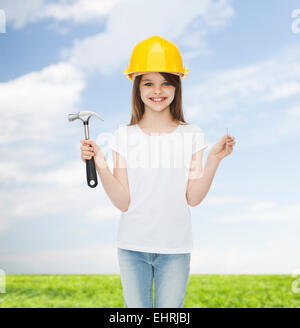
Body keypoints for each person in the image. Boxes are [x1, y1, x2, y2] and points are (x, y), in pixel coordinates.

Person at [79, 36, 236, 308]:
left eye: (166, 82)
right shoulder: (123, 136)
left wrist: (214, 159)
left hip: (175, 250)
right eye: (148, 83)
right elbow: (123, 201)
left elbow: (193, 197)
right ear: (137, 87)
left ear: (177, 85)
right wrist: (100, 164)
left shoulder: (192, 135)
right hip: (131, 248)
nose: (157, 90)